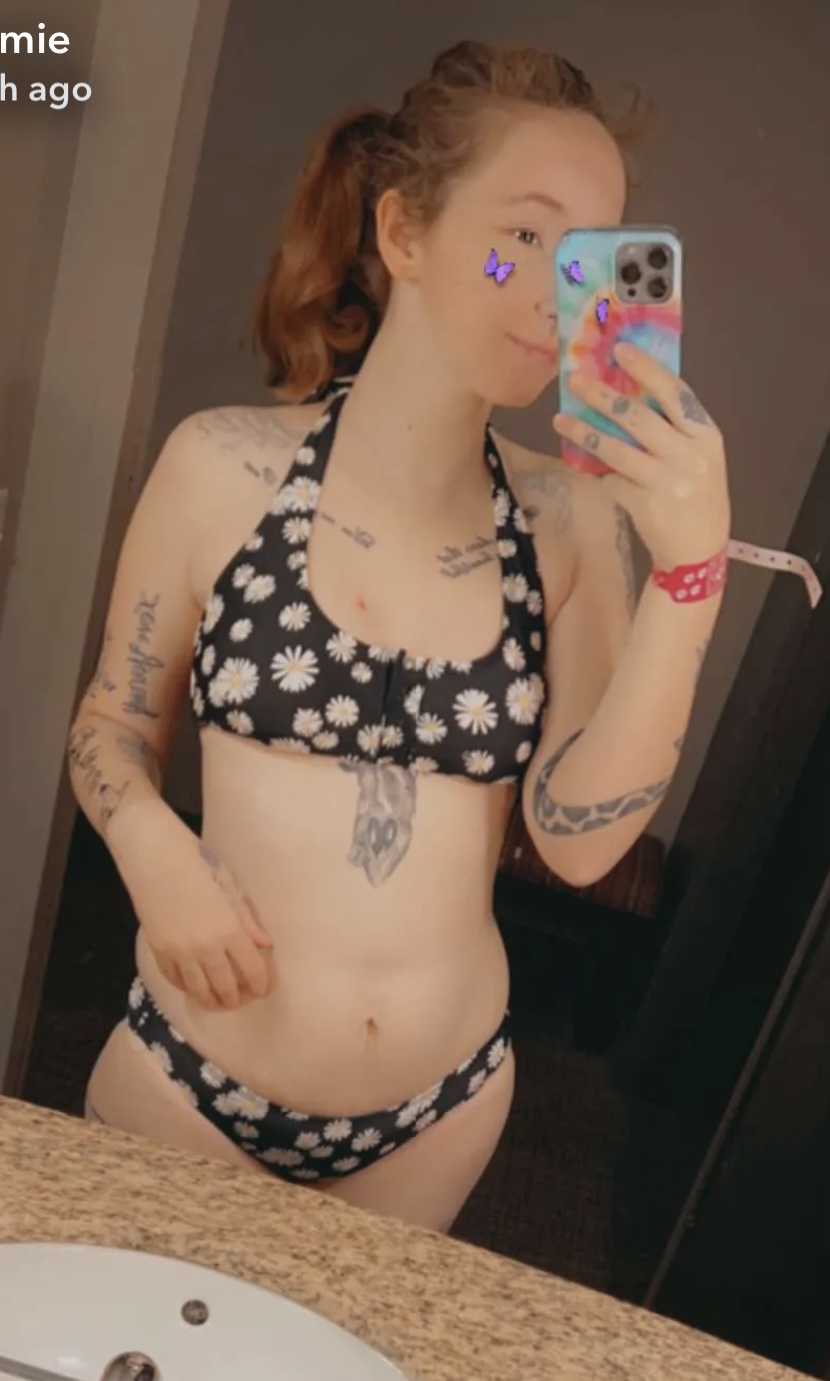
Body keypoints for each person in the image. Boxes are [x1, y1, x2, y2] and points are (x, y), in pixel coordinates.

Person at [70, 39, 730, 1234]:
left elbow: (580, 843)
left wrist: (689, 578)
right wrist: (149, 844)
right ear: (403, 232)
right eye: (521, 235)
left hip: (435, 1114)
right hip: (187, 1081)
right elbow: (110, 726)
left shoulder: (570, 518)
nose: (560, 291)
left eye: (588, 255)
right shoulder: (220, 467)